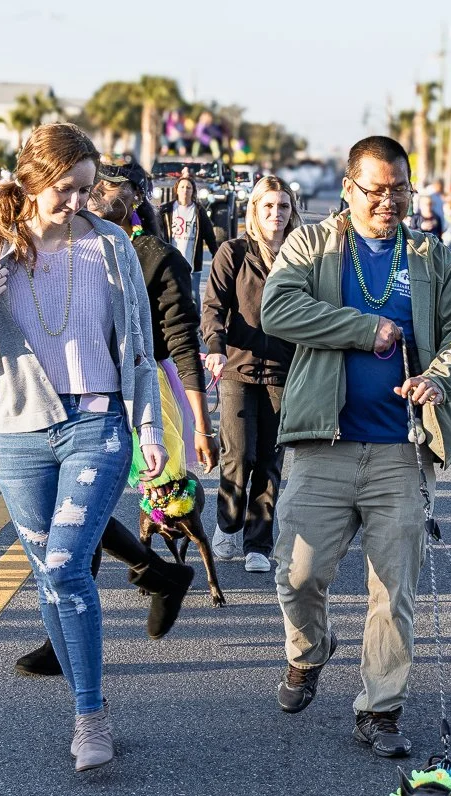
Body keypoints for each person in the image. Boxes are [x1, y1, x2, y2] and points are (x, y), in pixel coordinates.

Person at [0, 123, 166, 773]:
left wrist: (150, 428)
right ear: (32, 182)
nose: (77, 203)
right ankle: (85, 702)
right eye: (65, 189)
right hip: (21, 434)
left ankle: (91, 716)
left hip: (97, 425)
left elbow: (140, 346)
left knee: (65, 566)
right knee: (46, 576)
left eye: (86, 190)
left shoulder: (111, 245)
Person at [261, 136, 451, 758]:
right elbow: (278, 310)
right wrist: (366, 330)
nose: (390, 201)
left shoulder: (431, 256)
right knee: (297, 574)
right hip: (323, 442)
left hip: (401, 449)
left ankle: (380, 708)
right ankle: (309, 651)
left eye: (400, 189)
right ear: (349, 188)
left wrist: (439, 377)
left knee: (393, 590)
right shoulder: (313, 244)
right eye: (377, 190)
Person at [14, 158, 218, 678]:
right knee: (75, 508)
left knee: (81, 511)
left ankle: (135, 589)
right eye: (91, 187)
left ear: (134, 198)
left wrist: (201, 424)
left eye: (103, 188)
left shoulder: (154, 256)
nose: (92, 197)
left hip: (141, 392)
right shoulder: (67, 245)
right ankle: (154, 577)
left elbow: (181, 341)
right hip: (67, 396)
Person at [202, 176, 300, 573]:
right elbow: (213, 307)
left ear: (292, 212)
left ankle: (259, 542)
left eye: (283, 206)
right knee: (239, 453)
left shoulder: (301, 257)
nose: (276, 214)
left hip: (284, 371)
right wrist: (215, 346)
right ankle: (228, 524)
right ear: (254, 210)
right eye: (269, 206)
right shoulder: (234, 252)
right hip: (237, 367)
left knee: (270, 461)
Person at [162, 174, 218, 307]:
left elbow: (209, 235)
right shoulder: (167, 210)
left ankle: (195, 319)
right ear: (176, 190)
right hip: (171, 262)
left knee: (193, 296)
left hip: (192, 263)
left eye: (188, 188)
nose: (185, 190)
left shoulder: (199, 211)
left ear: (193, 191)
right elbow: (158, 233)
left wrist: (216, 254)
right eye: (182, 187)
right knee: (172, 295)